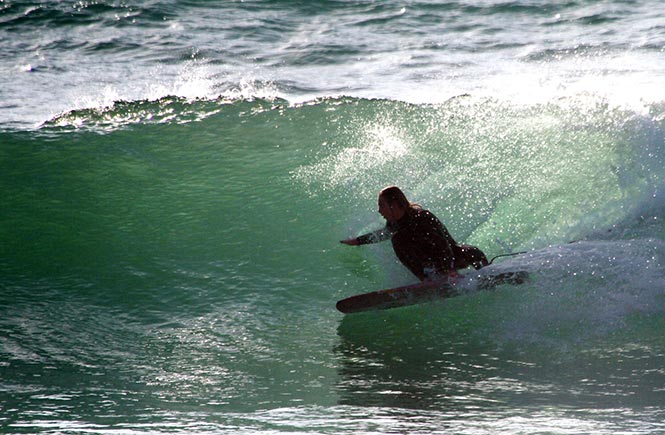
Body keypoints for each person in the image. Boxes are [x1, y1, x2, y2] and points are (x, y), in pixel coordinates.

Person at [341, 186, 488, 282]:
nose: (379, 210)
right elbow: (383, 234)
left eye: (382, 205)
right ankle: (425, 280)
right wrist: (358, 241)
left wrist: (449, 269)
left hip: (450, 258)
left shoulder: (422, 217)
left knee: (473, 252)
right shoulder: (394, 224)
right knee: (396, 239)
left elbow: (442, 244)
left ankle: (491, 276)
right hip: (430, 266)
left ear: (393, 205)